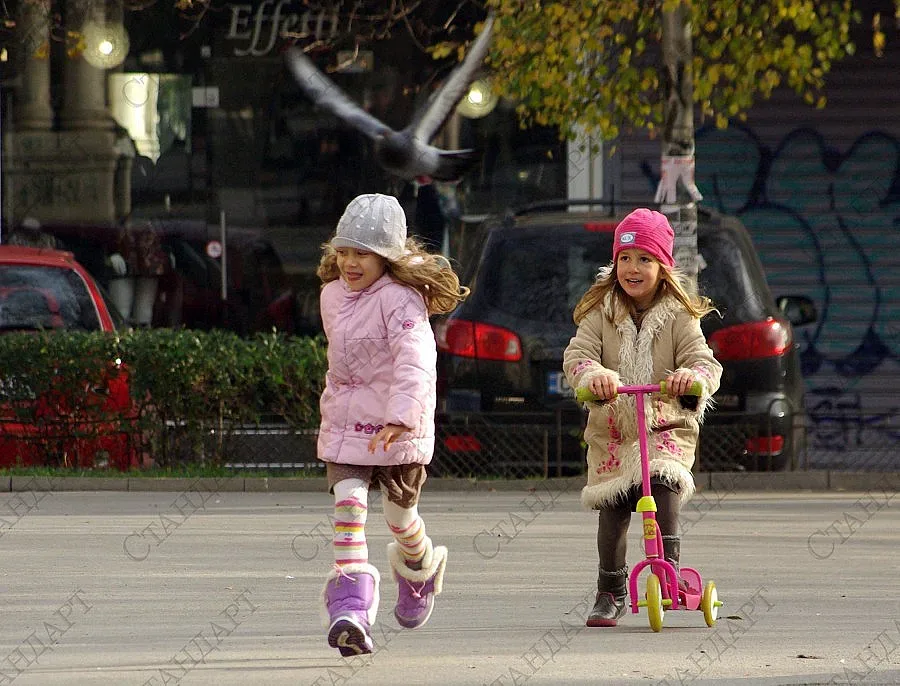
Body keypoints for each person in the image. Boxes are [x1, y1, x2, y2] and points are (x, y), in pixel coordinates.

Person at [315, 193, 469, 656]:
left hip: (398, 427)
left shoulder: (402, 299)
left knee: (398, 518)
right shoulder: (331, 295)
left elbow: (416, 359)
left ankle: (418, 568)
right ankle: (350, 610)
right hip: (346, 423)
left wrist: (401, 416)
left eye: (362, 253)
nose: (349, 262)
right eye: (343, 251)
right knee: (349, 507)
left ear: (387, 256)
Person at [562, 208, 723, 628]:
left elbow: (703, 361)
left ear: (663, 266)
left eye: (644, 259)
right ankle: (610, 589)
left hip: (664, 424)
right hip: (613, 429)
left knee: (666, 485)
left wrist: (690, 378)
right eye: (625, 259)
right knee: (612, 505)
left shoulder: (679, 315)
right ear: (614, 263)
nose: (633, 269)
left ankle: (667, 570)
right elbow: (578, 355)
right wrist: (593, 376)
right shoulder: (602, 310)